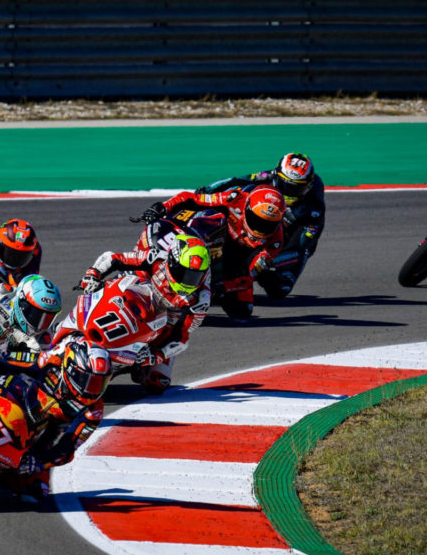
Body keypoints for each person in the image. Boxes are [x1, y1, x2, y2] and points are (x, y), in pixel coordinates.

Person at [0, 337, 112, 502]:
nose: (93, 390)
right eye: (89, 381)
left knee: (38, 490)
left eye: (100, 383)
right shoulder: (50, 362)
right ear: (71, 369)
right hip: (10, 395)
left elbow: (67, 450)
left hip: (39, 432)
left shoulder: (93, 411)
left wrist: (39, 463)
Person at [77, 233, 211, 394]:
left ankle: (120, 366)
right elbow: (114, 258)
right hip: (128, 298)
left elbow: (181, 339)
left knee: (158, 383)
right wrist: (93, 274)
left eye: (195, 277)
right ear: (173, 263)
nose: (188, 282)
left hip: (157, 333)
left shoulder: (200, 301)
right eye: (185, 274)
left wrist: (156, 355)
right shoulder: (157, 258)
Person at [139, 186, 285, 321]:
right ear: (247, 208)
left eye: (267, 225)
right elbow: (192, 198)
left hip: (235, 261)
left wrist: (221, 287)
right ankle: (172, 255)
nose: (260, 229)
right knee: (214, 218)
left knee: (242, 311)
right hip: (209, 238)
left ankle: (204, 289)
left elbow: (250, 274)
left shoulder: (275, 242)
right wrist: (163, 207)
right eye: (256, 220)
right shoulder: (235, 199)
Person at [191, 152, 326, 298]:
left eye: (296, 188)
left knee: (281, 288)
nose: (289, 192)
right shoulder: (269, 176)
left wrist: (264, 263)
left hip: (286, 242)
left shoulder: (313, 211)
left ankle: (235, 282)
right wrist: (207, 190)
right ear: (276, 175)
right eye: (284, 185)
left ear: (308, 185)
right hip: (260, 228)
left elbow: (300, 249)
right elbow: (237, 180)